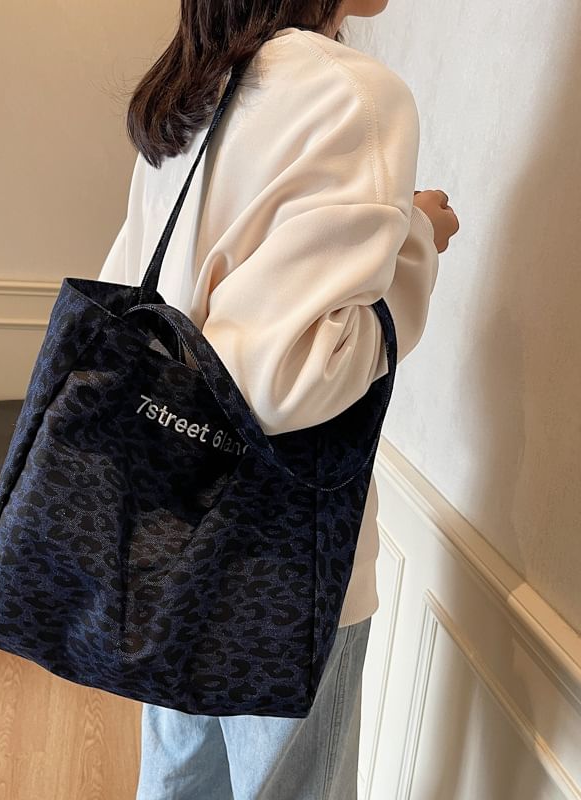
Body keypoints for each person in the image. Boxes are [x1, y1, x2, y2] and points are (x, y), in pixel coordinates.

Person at [98, 1, 460, 797]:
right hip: (286, 562)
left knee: (178, 776)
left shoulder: (193, 85)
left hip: (168, 523)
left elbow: (133, 301)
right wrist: (417, 240)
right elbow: (289, 379)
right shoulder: (355, 96)